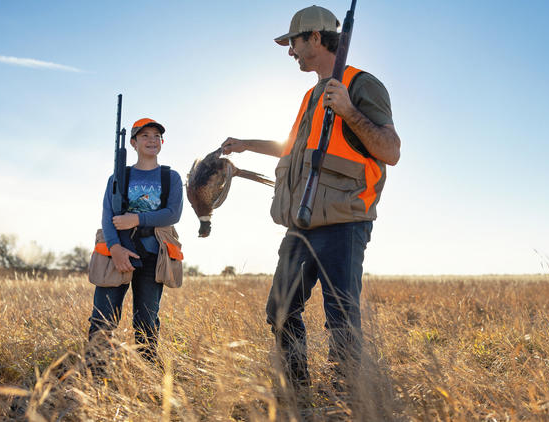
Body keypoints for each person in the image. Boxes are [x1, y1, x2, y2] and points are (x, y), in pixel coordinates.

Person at [221, 5, 401, 395]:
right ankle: (298, 393)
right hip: (301, 223)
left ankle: (348, 398)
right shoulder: (310, 95)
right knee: (280, 311)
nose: (290, 52)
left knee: (341, 317)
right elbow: (295, 149)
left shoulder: (361, 84)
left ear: (315, 38)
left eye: (294, 43)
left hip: (344, 221)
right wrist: (246, 145)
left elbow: (390, 150)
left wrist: (350, 111)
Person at [88, 117, 183, 366]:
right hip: (116, 253)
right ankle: (95, 373)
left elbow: (173, 214)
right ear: (133, 142)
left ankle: (147, 373)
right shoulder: (119, 177)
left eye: (156, 136)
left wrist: (136, 219)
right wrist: (116, 249)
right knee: (103, 317)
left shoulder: (170, 177)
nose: (151, 140)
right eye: (145, 136)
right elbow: (107, 216)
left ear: (162, 142)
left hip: (153, 256)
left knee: (147, 319)